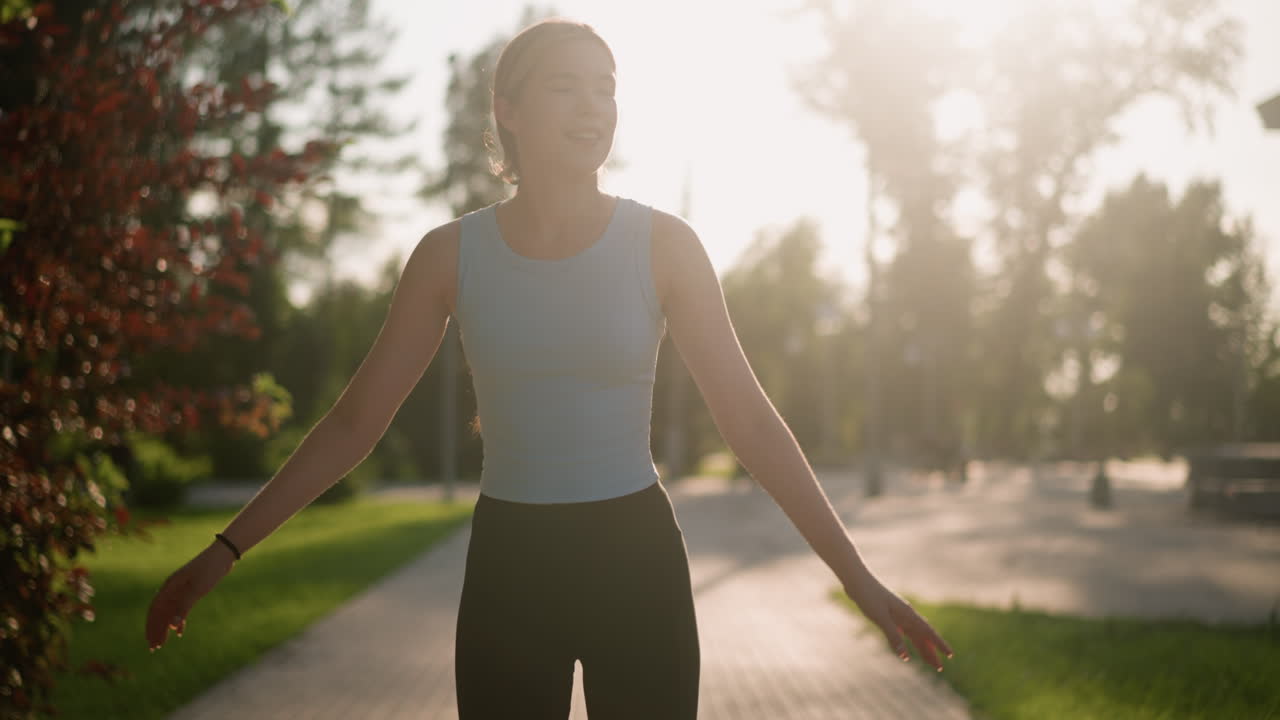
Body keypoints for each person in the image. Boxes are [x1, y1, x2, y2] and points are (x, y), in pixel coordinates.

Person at [145, 16, 954, 718]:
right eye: (567, 87)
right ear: (509, 109)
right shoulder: (448, 256)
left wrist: (860, 581)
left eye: (605, 89)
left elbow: (750, 422)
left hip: (636, 563)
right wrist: (225, 550)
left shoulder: (665, 247)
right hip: (511, 567)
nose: (593, 107)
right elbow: (354, 424)